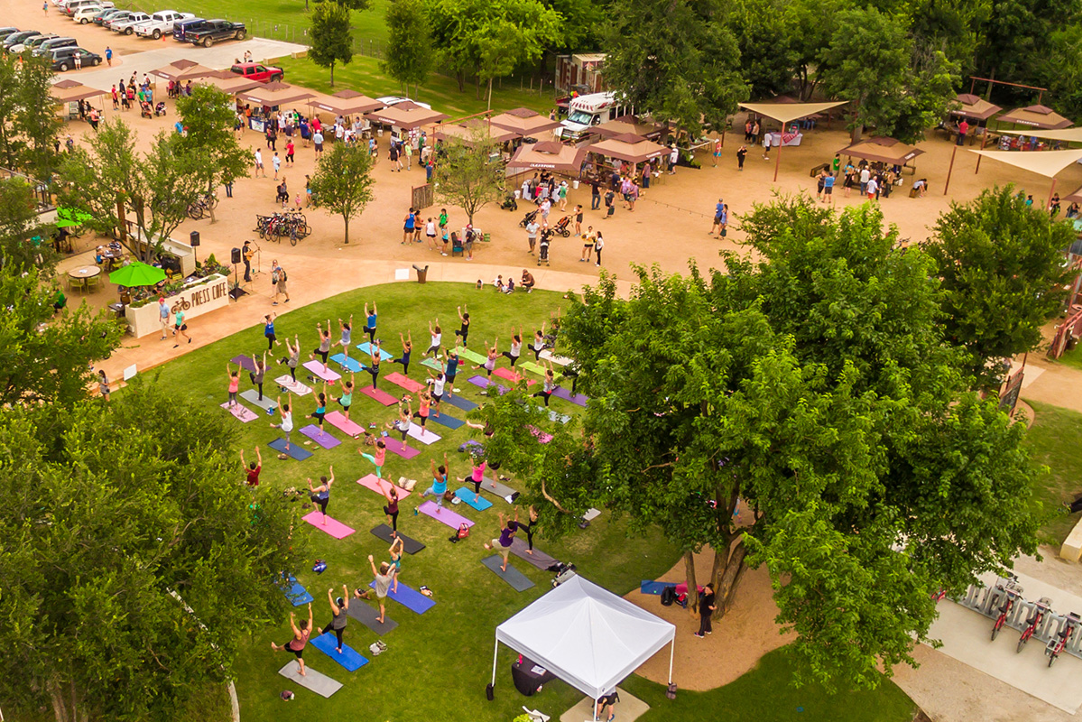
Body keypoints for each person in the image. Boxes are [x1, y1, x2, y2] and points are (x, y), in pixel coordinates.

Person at [271, 604, 313, 676]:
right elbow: (310, 618)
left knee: (284, 646)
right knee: (300, 658)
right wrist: (309, 609)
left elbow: (292, 626)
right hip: (301, 647)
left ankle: (275, 648)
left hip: (293, 646)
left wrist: (291, 617)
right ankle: (302, 671)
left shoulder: (299, 634)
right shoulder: (309, 629)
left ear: (300, 626)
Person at [368, 554, 397, 625]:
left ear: (381, 572)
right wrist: (389, 568)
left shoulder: (380, 578)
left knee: (368, 593)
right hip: (383, 595)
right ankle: (382, 619)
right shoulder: (390, 576)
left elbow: (374, 572)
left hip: (376, 594)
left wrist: (371, 561)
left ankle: (362, 596)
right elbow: (394, 565)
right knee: (381, 607)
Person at [322, 585, 350, 654]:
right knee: (339, 636)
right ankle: (339, 649)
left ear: (337, 603)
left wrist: (329, 593)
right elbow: (346, 596)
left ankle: (322, 633)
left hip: (336, 625)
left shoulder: (337, 610)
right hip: (343, 624)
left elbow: (331, 603)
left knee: (329, 626)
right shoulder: (346, 606)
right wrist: (345, 588)